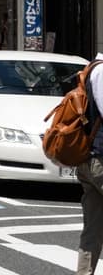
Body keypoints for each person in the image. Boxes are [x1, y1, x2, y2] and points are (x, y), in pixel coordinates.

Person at [76, 53, 103, 274]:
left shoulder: (92, 68)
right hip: (99, 161)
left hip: (89, 158)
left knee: (93, 227)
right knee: (92, 227)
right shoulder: (102, 72)